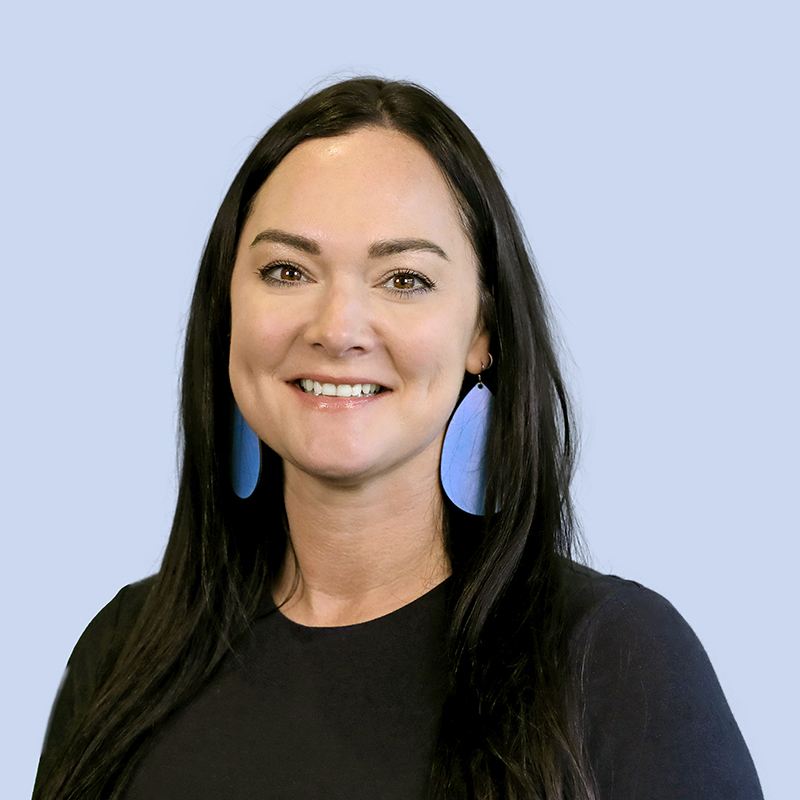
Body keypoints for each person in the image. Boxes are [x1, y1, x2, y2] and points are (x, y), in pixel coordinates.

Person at [33, 77, 763, 800]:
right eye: (286, 270)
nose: (337, 328)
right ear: (228, 311)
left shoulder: (616, 660)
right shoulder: (121, 656)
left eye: (404, 279)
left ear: (483, 332)